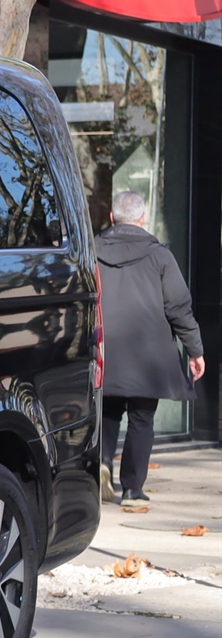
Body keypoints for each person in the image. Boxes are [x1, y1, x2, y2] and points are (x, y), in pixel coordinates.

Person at [95, 190, 206, 507]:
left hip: (104, 348)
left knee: (107, 411)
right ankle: (132, 490)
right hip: (147, 353)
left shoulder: (92, 250)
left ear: (112, 217)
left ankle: (103, 462)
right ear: (143, 218)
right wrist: (195, 350)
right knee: (142, 418)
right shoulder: (160, 256)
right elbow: (178, 308)